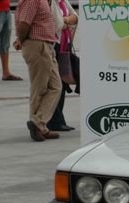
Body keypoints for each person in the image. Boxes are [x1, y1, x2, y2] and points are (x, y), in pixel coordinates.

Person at [13, 0, 62, 142]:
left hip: (46, 46)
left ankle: (38, 123)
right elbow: (24, 23)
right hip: (37, 45)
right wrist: (20, 39)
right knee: (39, 88)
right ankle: (38, 126)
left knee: (56, 86)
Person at [47, 0, 77, 132]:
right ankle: (54, 120)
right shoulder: (51, 3)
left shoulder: (63, 2)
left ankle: (59, 120)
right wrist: (67, 20)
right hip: (55, 47)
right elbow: (56, 25)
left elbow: (76, 17)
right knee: (55, 84)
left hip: (65, 46)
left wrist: (65, 20)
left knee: (63, 83)